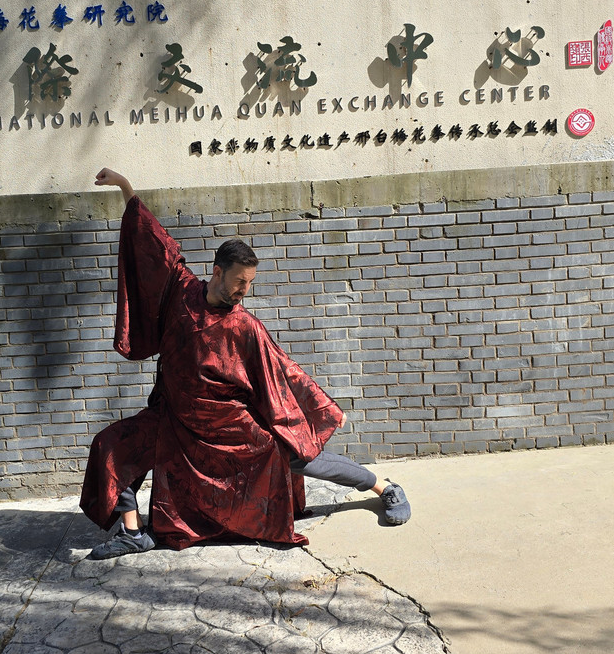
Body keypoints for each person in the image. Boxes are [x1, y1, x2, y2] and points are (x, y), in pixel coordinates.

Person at [80, 168, 410, 559]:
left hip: (231, 430)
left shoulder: (246, 327)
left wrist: (317, 413)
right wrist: (125, 187)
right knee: (113, 445)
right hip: (175, 420)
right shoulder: (179, 290)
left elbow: (283, 372)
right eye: (239, 281)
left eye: (250, 283)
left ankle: (384, 486)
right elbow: (151, 243)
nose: (244, 290)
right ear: (217, 271)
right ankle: (133, 534)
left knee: (299, 457)